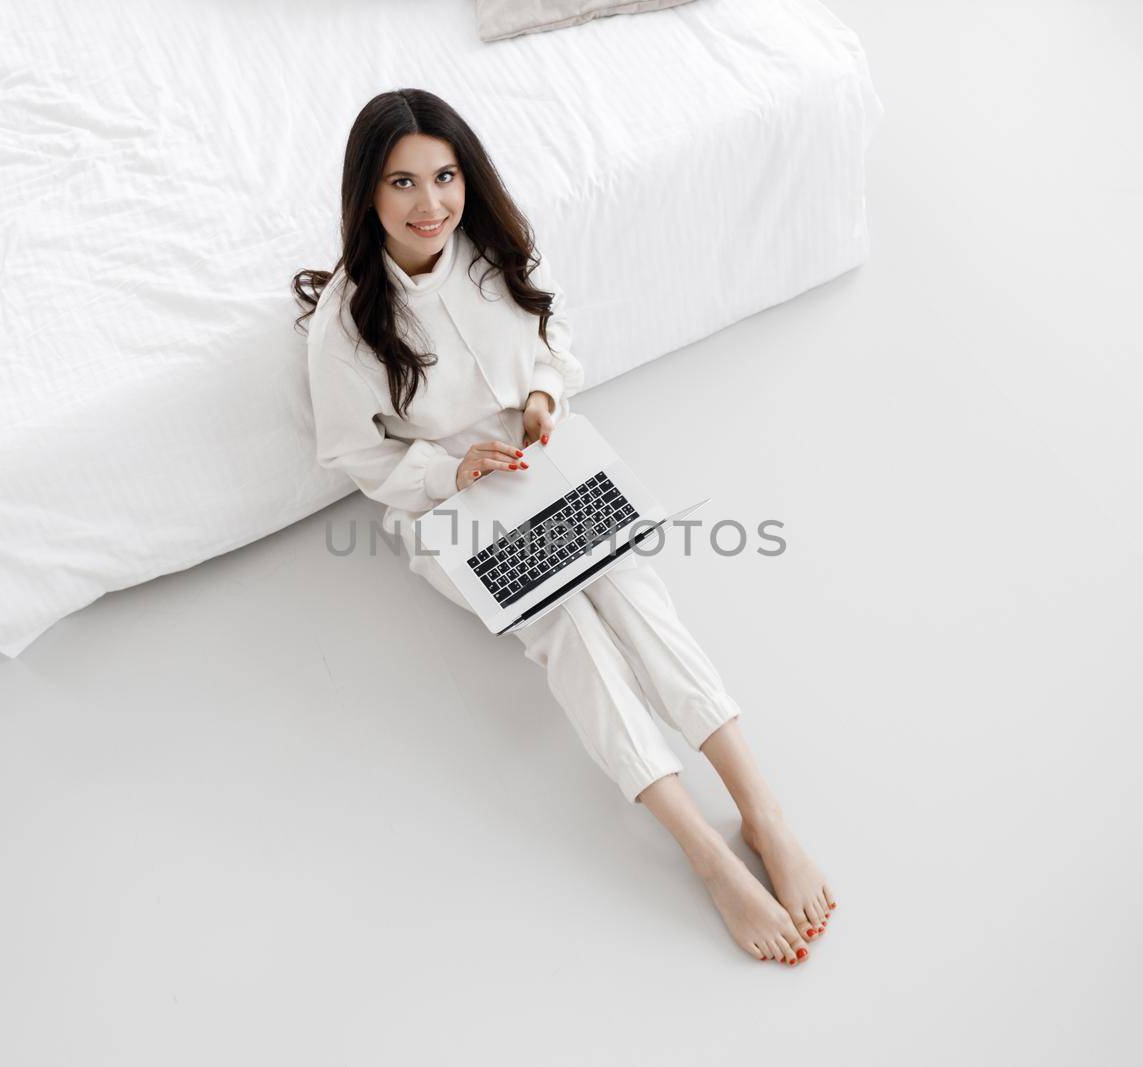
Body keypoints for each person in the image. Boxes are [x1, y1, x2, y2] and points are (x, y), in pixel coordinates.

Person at [294, 89, 837, 966]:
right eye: (402, 183)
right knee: (569, 631)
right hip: (453, 508)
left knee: (637, 598)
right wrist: (450, 469)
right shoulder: (346, 325)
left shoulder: (491, 249)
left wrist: (544, 398)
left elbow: (553, 341)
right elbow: (356, 460)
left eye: (444, 176)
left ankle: (761, 811)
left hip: (553, 461)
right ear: (366, 192)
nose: (430, 204)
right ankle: (706, 853)